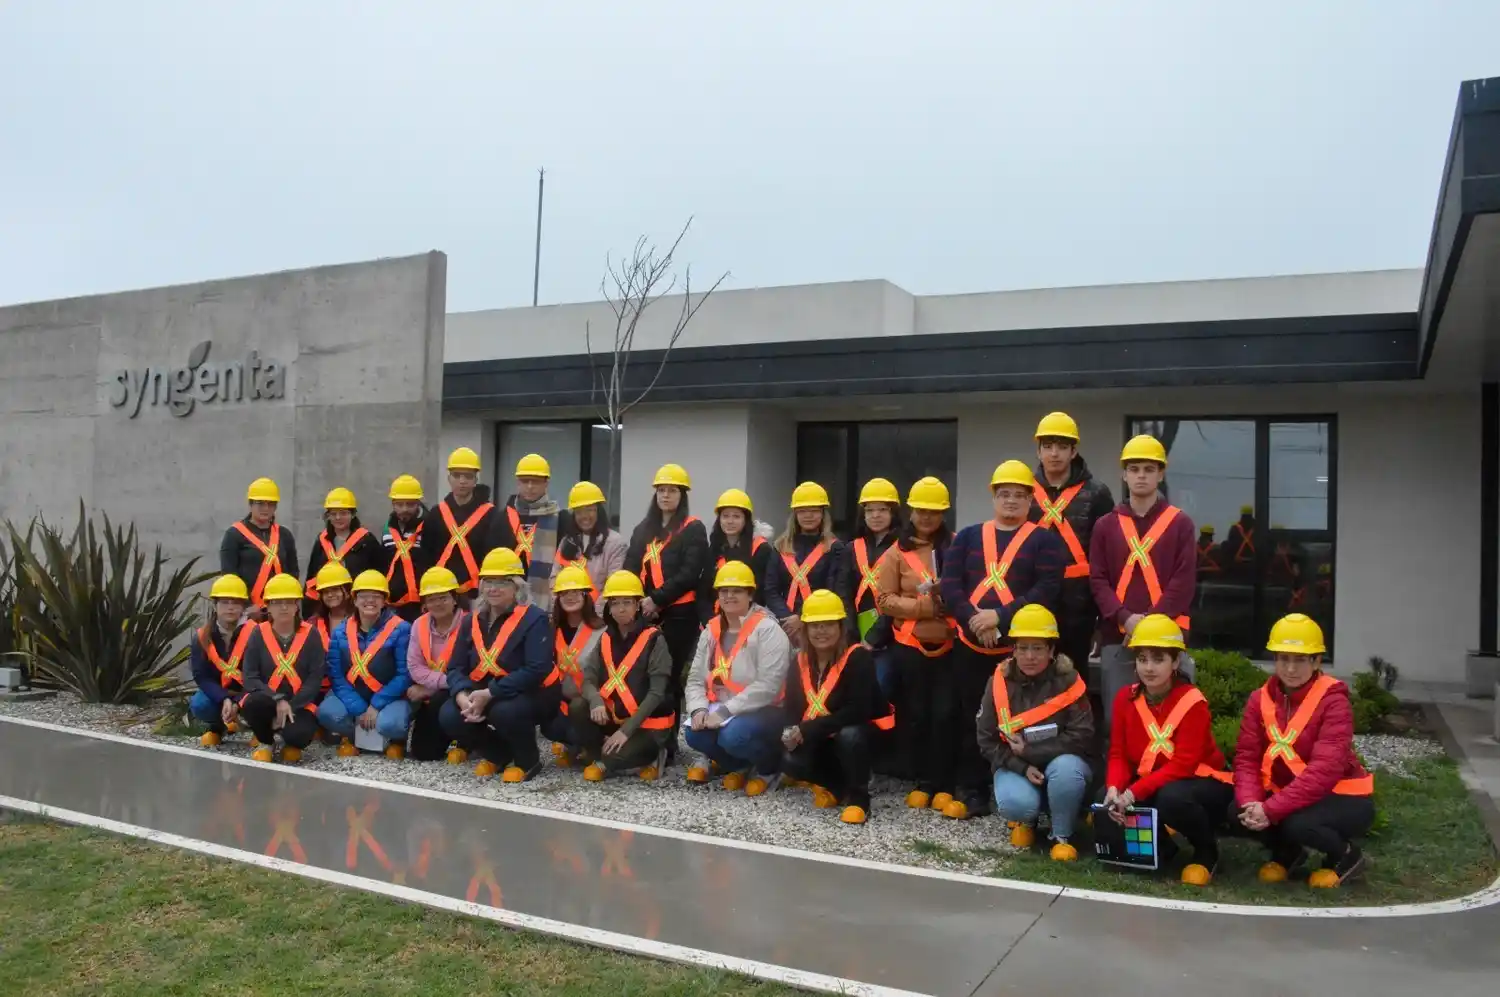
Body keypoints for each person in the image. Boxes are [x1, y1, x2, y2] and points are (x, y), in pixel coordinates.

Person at [939, 460, 1065, 820]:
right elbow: (951, 585)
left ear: (1031, 500)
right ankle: (973, 791)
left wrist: (1000, 616)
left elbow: (1047, 588)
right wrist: (975, 620)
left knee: (1021, 720)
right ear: (993, 496)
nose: (1011, 500)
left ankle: (1018, 792)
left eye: (1019, 495)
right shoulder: (967, 537)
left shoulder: (1044, 540)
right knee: (972, 718)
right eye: (1004, 493)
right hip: (970, 645)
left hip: (1020, 650)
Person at [1234, 614, 1373, 888]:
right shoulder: (1259, 699)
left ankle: (1345, 856)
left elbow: (1324, 771)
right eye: (1284, 659)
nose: (1291, 668)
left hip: (1342, 796)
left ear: (1316, 661)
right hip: (1289, 793)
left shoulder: (1334, 702)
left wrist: (1271, 809)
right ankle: (1288, 853)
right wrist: (1251, 802)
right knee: (1237, 811)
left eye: (1300, 660)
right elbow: (1247, 758)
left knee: (1297, 823)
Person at [1103, 615, 1232, 885]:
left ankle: (1207, 850)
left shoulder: (1193, 702)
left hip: (1202, 780)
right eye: (1142, 659)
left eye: (1158, 659)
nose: (1149, 668)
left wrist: (1133, 792)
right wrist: (1115, 788)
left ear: (1175, 662)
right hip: (1155, 779)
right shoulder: (1125, 698)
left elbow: (1184, 763)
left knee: (1171, 798)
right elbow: (1118, 754)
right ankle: (1162, 849)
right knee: (1106, 796)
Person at [1089, 435, 1198, 729]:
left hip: (1169, 638)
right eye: (1134, 469)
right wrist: (1125, 618)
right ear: (1124, 474)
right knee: (1118, 723)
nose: (1141, 475)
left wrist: (1148, 625)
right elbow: (1098, 579)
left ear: (1161, 474)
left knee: (1172, 723)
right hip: (1118, 637)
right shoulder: (1105, 525)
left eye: (1149, 469)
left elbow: (1184, 581)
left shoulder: (1180, 524)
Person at [976, 604, 1094, 860]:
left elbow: (1082, 735)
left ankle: (1061, 834)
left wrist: (1031, 752)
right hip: (1015, 764)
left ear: (1051, 650)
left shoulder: (1069, 680)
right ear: (1014, 650)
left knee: (1067, 772)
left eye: (1038, 648)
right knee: (1016, 804)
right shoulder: (998, 681)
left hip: (1061, 763)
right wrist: (1021, 766)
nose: (1030, 656)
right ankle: (1027, 820)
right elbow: (986, 740)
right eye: (1023, 648)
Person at [876, 477, 957, 812]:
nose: (926, 517)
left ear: (943, 513)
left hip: (950, 647)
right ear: (910, 511)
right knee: (916, 714)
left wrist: (949, 600)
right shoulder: (896, 553)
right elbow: (884, 600)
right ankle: (922, 782)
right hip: (909, 646)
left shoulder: (957, 546)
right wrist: (925, 607)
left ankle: (945, 782)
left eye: (933, 511)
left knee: (946, 715)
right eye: (921, 510)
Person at [440, 548, 553, 782]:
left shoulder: (535, 619)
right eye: (488, 581)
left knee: (504, 711)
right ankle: (498, 754)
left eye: (502, 582)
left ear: (517, 586)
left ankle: (528, 760)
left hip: (526, 693)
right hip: (481, 691)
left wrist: (491, 693)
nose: (493, 588)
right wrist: (462, 695)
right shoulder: (471, 620)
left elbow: (537, 669)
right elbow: (455, 668)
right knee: (450, 714)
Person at [780, 589, 888, 825]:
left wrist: (809, 729)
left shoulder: (857, 657)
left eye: (828, 624)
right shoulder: (799, 660)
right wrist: (789, 732)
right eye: (815, 625)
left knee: (850, 736)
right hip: (823, 733)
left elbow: (858, 710)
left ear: (841, 626)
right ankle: (837, 787)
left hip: (862, 733)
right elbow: (791, 707)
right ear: (805, 629)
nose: (821, 631)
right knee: (790, 758)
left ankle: (859, 798)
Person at [684, 561, 792, 793]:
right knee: (694, 734)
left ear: (750, 595)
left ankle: (770, 767)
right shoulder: (711, 630)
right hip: (721, 708)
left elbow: (769, 686)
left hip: (765, 708)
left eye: (737, 591)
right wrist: (698, 709)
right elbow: (695, 679)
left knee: (733, 736)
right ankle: (740, 766)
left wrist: (725, 711)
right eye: (724, 591)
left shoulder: (767, 629)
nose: (729, 596)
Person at [624, 463, 709, 739]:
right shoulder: (643, 529)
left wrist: (657, 600)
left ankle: (668, 742)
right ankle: (642, 735)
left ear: (682, 495)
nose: (666, 495)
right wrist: (638, 602)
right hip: (644, 612)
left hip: (679, 615)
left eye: (672, 490)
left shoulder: (693, 528)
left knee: (668, 677)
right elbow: (630, 567)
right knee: (642, 674)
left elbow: (690, 572)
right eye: (661, 490)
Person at [1029, 412, 1115, 677]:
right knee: (1032, 676)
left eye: (1062, 446)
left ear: (1074, 451)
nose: (1054, 453)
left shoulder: (1097, 494)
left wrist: (1102, 616)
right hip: (1032, 602)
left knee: (1074, 680)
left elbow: (1108, 558)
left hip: (1080, 610)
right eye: (1048, 446)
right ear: (1039, 451)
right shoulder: (1023, 491)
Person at [572, 571, 676, 781]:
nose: (620, 609)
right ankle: (601, 754)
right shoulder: (606, 638)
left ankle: (655, 755)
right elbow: (588, 677)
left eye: (627, 602)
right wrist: (595, 701)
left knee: (613, 757)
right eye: (615, 603)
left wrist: (625, 731)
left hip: (649, 724)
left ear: (638, 605)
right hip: (617, 717)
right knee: (578, 706)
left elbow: (656, 694)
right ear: (609, 607)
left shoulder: (655, 639)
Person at [320, 570, 414, 759]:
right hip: (353, 693)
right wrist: (360, 709)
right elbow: (336, 675)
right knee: (327, 713)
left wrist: (377, 705)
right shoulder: (340, 632)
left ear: (384, 600)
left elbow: (404, 674)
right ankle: (354, 738)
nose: (370, 601)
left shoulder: (401, 629)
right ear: (354, 600)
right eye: (363, 596)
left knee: (391, 724)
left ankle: (394, 740)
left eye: (376, 596)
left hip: (390, 695)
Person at [239, 573, 324, 763]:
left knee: (300, 735)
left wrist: (291, 705)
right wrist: (277, 700)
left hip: (299, 703)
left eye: (289, 602)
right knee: (253, 705)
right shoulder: (258, 633)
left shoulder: (311, 635)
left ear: (297, 606)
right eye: (277, 602)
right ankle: (266, 741)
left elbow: (315, 678)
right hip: (267, 700)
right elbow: (250, 677)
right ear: (268, 606)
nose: (283, 607)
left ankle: (289, 741)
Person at [836, 478, 900, 697]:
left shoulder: (903, 547)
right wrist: (851, 632)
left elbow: (902, 593)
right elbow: (843, 592)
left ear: (893, 512)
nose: (875, 515)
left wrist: (874, 636)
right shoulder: (851, 548)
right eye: (870, 510)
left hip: (891, 636)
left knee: (881, 692)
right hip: (855, 636)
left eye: (882, 509)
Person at [765, 482, 847, 644]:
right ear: (795, 514)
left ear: (823, 514)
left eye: (814, 511)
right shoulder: (780, 546)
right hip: (784, 624)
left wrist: (802, 617)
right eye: (802, 511)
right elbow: (770, 589)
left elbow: (833, 588)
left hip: (819, 623)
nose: (808, 516)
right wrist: (787, 617)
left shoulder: (835, 548)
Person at [404, 566, 469, 762]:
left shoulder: (470, 623)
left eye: (443, 597)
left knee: (441, 701)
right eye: (431, 599)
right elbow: (415, 667)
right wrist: (438, 685)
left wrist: (431, 689)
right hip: (435, 688)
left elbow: (472, 668)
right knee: (423, 753)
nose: (438, 603)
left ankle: (467, 742)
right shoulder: (419, 624)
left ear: (454, 598)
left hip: (463, 690)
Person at [487, 453, 565, 610]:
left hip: (548, 600)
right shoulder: (502, 518)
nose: (530, 486)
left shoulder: (561, 519)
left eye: (535, 481)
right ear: (518, 483)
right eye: (525, 481)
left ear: (546, 483)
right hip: (507, 599)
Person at [544, 564, 604, 763]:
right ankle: (573, 745)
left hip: (591, 701)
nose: (570, 597)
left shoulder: (601, 630)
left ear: (586, 595)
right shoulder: (551, 629)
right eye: (564, 593)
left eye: (576, 592)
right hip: (560, 700)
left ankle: (593, 747)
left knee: (578, 713)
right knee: (549, 726)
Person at [220, 477, 300, 618]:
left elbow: (293, 573)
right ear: (250, 504)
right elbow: (229, 575)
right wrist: (247, 606)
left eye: (270, 504)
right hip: (247, 612)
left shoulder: (284, 535)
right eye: (260, 503)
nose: (265, 508)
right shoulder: (234, 534)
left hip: (280, 609)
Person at [422, 447, 497, 597]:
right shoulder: (436, 514)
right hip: (442, 591)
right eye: (457, 475)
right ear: (449, 478)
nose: (462, 481)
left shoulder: (491, 514)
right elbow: (426, 554)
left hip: (478, 593)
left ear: (475, 480)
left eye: (468, 476)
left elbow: (492, 555)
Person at [189, 575, 253, 747]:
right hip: (219, 691)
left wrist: (238, 701)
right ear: (215, 606)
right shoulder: (203, 636)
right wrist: (223, 698)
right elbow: (201, 676)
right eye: (224, 602)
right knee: (200, 704)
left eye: (235, 602)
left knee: (262, 701)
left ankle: (260, 732)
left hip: (249, 692)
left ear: (243, 606)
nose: (230, 607)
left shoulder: (257, 633)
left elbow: (262, 674)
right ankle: (217, 728)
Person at [302, 487, 383, 614]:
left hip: (357, 607)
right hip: (326, 606)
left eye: (343, 513)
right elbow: (311, 575)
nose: (338, 517)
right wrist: (308, 609)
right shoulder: (322, 540)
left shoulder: (367, 541)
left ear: (353, 514)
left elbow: (379, 574)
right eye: (333, 514)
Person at [551, 480, 627, 611]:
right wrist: (560, 611)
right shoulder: (567, 541)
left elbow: (613, 586)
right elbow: (554, 581)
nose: (584, 516)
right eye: (579, 512)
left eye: (589, 510)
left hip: (597, 616)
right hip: (566, 614)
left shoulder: (615, 543)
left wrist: (592, 615)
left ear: (599, 511)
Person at [698, 488, 771, 623]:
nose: (730, 521)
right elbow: (703, 591)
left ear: (746, 520)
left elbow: (760, 593)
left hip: (748, 620)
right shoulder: (714, 549)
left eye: (736, 516)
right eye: (725, 516)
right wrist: (709, 620)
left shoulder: (761, 549)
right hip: (714, 620)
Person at [383, 474, 431, 622]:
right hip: (392, 604)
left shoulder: (429, 526)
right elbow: (384, 563)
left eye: (410, 504)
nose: (404, 509)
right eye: (400, 504)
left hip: (420, 605)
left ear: (418, 503)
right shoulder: (388, 528)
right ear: (393, 504)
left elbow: (434, 563)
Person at [308, 562, 354, 651]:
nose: (330, 595)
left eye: (335, 589)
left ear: (347, 591)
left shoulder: (361, 620)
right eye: (325, 591)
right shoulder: (313, 623)